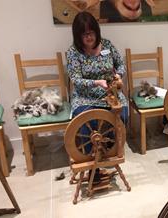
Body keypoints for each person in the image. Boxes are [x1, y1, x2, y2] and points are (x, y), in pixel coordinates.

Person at [66, 11, 128, 183]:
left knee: (122, 114)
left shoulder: (107, 44)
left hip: (110, 94)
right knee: (86, 121)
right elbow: (75, 80)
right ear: (78, 35)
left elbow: (121, 64)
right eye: (84, 34)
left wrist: (118, 76)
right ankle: (89, 157)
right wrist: (97, 83)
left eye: (91, 32)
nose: (89, 37)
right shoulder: (73, 53)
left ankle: (109, 152)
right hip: (85, 97)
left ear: (96, 31)